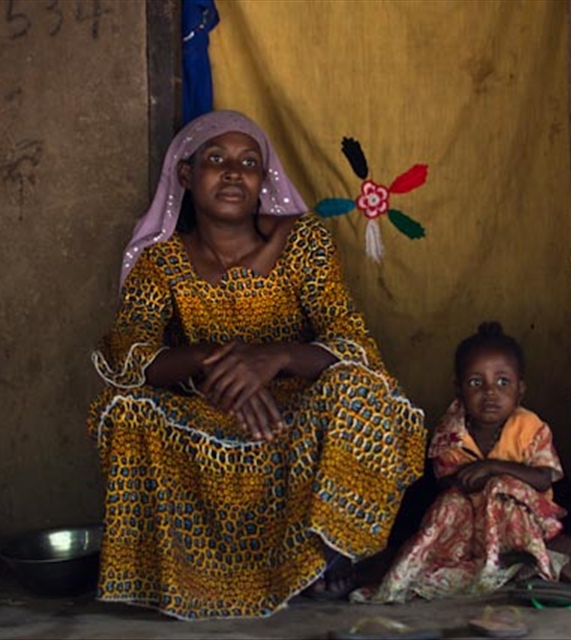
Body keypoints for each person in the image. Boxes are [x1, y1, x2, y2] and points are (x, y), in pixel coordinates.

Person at [86, 110, 427, 620]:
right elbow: (127, 353)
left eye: (249, 162)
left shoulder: (304, 243)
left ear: (262, 179)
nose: (233, 172)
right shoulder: (161, 264)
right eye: (216, 159)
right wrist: (213, 362)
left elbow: (356, 345)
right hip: (208, 415)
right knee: (123, 410)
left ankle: (328, 548)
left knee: (365, 390)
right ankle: (182, 575)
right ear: (185, 175)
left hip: (290, 416)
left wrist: (276, 357)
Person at [352, 321, 567, 603]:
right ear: (459, 389)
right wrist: (468, 481)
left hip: (520, 518)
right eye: (476, 383)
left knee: (501, 489)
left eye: (503, 382)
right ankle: (427, 569)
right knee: (448, 503)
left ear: (521, 389)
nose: (490, 392)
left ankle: (522, 564)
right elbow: (444, 479)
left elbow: (542, 478)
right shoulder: (451, 430)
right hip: (468, 519)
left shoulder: (531, 427)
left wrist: (492, 469)